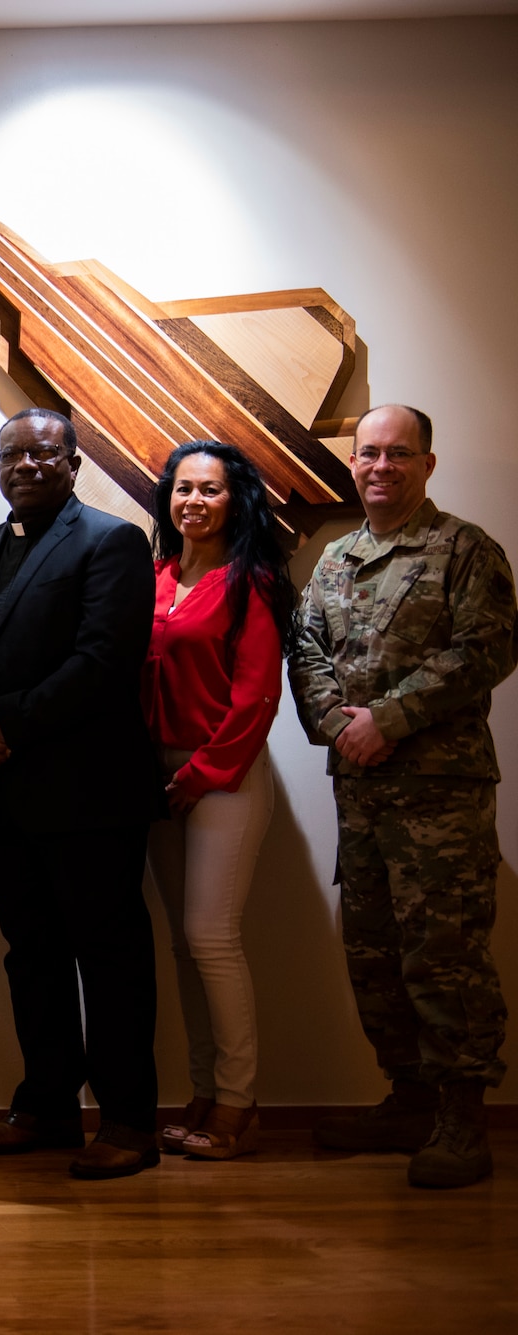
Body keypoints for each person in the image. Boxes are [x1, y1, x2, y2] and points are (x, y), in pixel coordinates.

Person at [0, 407, 163, 1180]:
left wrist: (0, 722)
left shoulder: (112, 542)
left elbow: (103, 662)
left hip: (88, 794)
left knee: (110, 957)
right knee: (33, 957)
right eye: (11, 453)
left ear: (74, 461)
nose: (26, 464)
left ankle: (128, 1121)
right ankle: (47, 1106)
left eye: (43, 452)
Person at [291, 404, 514, 1189]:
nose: (381, 466)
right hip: (362, 793)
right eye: (369, 454)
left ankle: (463, 1120)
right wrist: (334, 721)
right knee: (376, 952)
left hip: (439, 798)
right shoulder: (335, 557)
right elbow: (306, 647)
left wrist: (391, 717)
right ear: (352, 463)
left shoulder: (463, 550)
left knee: (444, 955)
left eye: (398, 454)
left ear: (428, 463)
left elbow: (484, 648)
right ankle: (410, 1098)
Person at [142, 441, 295, 1160]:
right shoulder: (155, 575)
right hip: (159, 778)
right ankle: (202, 1091)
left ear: (236, 500)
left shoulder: (252, 581)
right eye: (182, 488)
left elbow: (257, 696)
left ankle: (239, 1100)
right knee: (182, 941)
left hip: (223, 776)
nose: (193, 501)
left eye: (209, 489)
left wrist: (198, 774)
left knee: (212, 935)